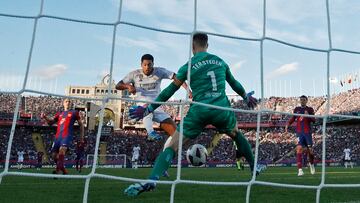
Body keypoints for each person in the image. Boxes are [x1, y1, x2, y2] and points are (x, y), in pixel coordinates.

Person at [124, 32, 259, 196]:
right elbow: (234, 83)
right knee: (236, 134)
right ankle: (254, 167)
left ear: (192, 47)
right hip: (221, 110)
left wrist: (148, 109)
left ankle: (153, 179)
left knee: (172, 146)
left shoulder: (187, 66)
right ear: (207, 45)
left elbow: (169, 90)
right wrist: (245, 96)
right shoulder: (220, 61)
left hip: (199, 110)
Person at [116, 54, 191, 141]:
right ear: (141, 64)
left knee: (176, 135)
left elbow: (177, 77)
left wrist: (187, 90)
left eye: (149, 64)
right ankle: (151, 133)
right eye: (145, 65)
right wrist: (128, 86)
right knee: (147, 110)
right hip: (142, 104)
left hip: (157, 105)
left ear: (153, 64)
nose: (147, 67)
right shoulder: (134, 74)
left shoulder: (159, 71)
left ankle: (170, 150)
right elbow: (118, 85)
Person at [41, 98, 84, 175]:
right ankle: (64, 171)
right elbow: (50, 123)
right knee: (54, 156)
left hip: (67, 136)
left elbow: (81, 125)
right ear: (63, 103)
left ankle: (57, 171)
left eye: (69, 101)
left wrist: (81, 138)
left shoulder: (74, 112)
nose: (68, 102)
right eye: (66, 101)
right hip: (57, 137)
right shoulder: (59, 114)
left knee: (62, 151)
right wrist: (45, 117)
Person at [285, 95, 316, 176]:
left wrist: (308, 115)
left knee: (310, 151)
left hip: (307, 133)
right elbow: (293, 118)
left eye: (303, 100)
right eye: (301, 100)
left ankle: (312, 164)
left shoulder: (310, 109)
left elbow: (314, 120)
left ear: (306, 101)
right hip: (299, 133)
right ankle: (300, 170)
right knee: (299, 149)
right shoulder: (297, 109)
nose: (302, 101)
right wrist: (288, 124)